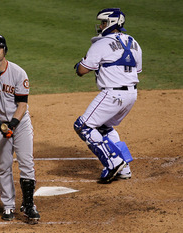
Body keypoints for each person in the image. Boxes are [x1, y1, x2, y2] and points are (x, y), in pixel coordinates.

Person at [73, 8, 142, 183]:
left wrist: (80, 63)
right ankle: (124, 167)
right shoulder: (134, 43)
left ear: (111, 23)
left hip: (112, 94)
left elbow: (82, 70)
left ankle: (113, 162)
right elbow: (137, 69)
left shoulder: (101, 43)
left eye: (103, 22)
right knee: (104, 128)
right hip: (131, 95)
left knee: (83, 126)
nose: (101, 26)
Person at [0, 34, 40, 222]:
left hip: (20, 123)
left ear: (5, 50)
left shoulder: (18, 72)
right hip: (0, 125)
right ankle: (8, 206)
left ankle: (29, 205)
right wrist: (1, 127)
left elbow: (22, 104)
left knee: (26, 163)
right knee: (4, 166)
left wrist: (12, 125)